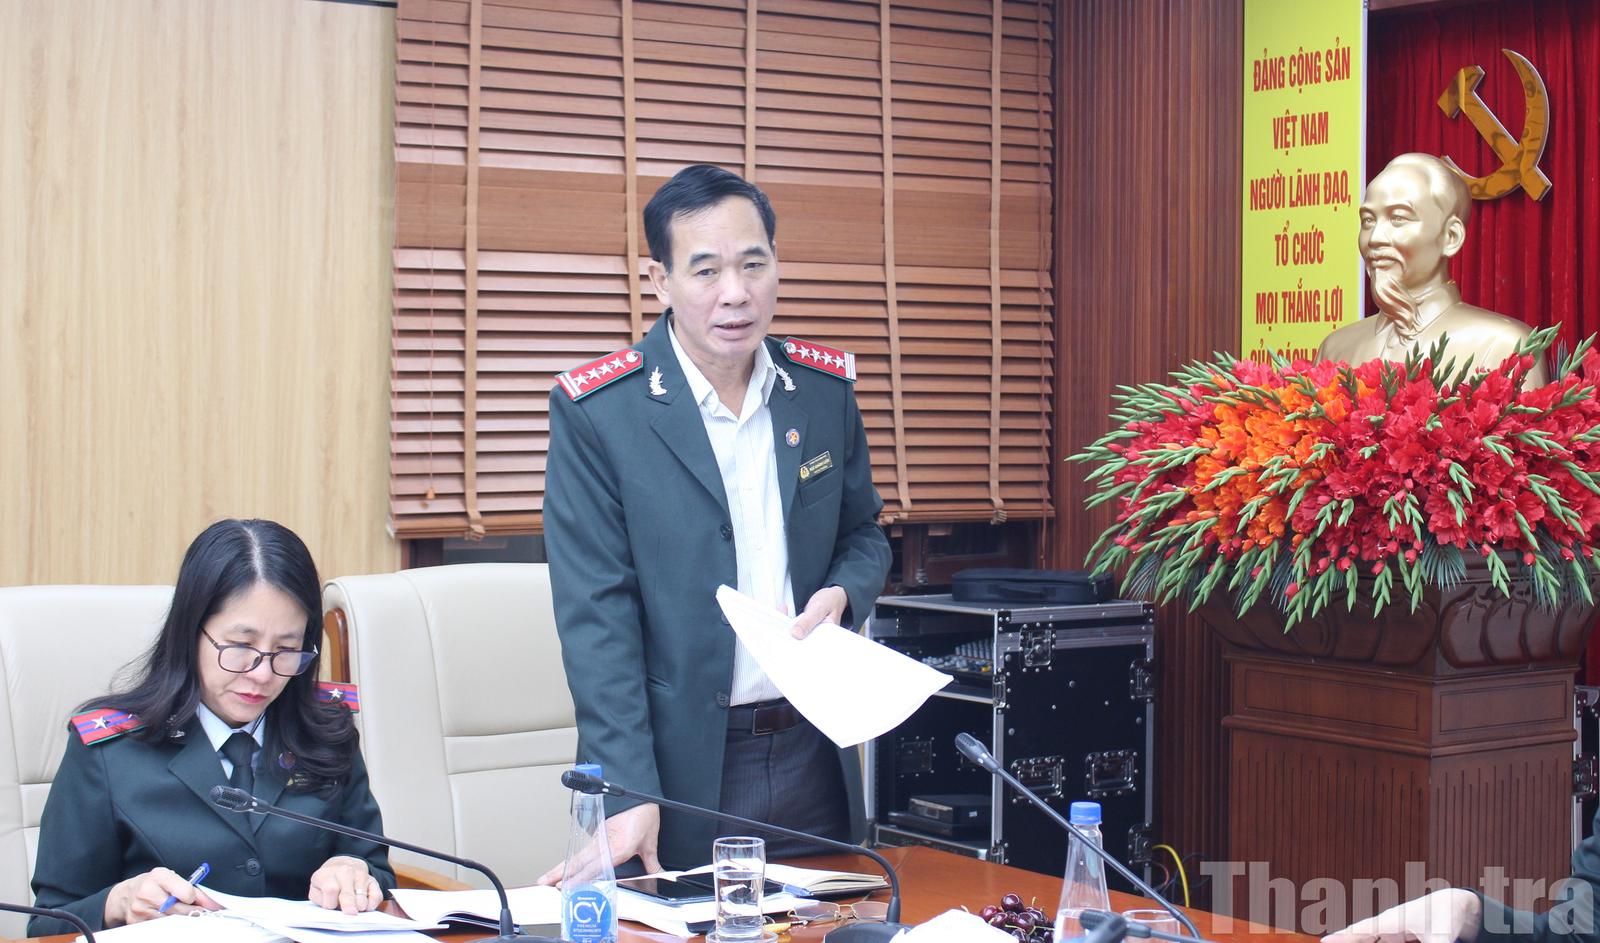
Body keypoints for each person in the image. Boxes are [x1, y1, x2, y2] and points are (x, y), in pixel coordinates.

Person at [539, 163, 893, 877]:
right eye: (706, 271)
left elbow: (864, 533)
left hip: (811, 754)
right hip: (675, 771)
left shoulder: (819, 391)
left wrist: (844, 592)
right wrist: (628, 788)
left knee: (838, 922)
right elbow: (597, 616)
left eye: (753, 264)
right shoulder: (601, 411)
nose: (736, 293)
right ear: (659, 281)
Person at [28, 519, 394, 934]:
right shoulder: (110, 752)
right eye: (240, 646)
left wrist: (354, 870)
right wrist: (118, 902)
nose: (261, 674)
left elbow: (376, 869)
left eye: (286, 649)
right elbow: (47, 925)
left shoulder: (326, 728)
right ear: (189, 633)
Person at [1315, 152, 1548, 387]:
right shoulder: (1335, 349)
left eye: (1398, 218)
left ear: (1451, 237)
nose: (1374, 238)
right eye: (1368, 220)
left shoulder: (1505, 348)